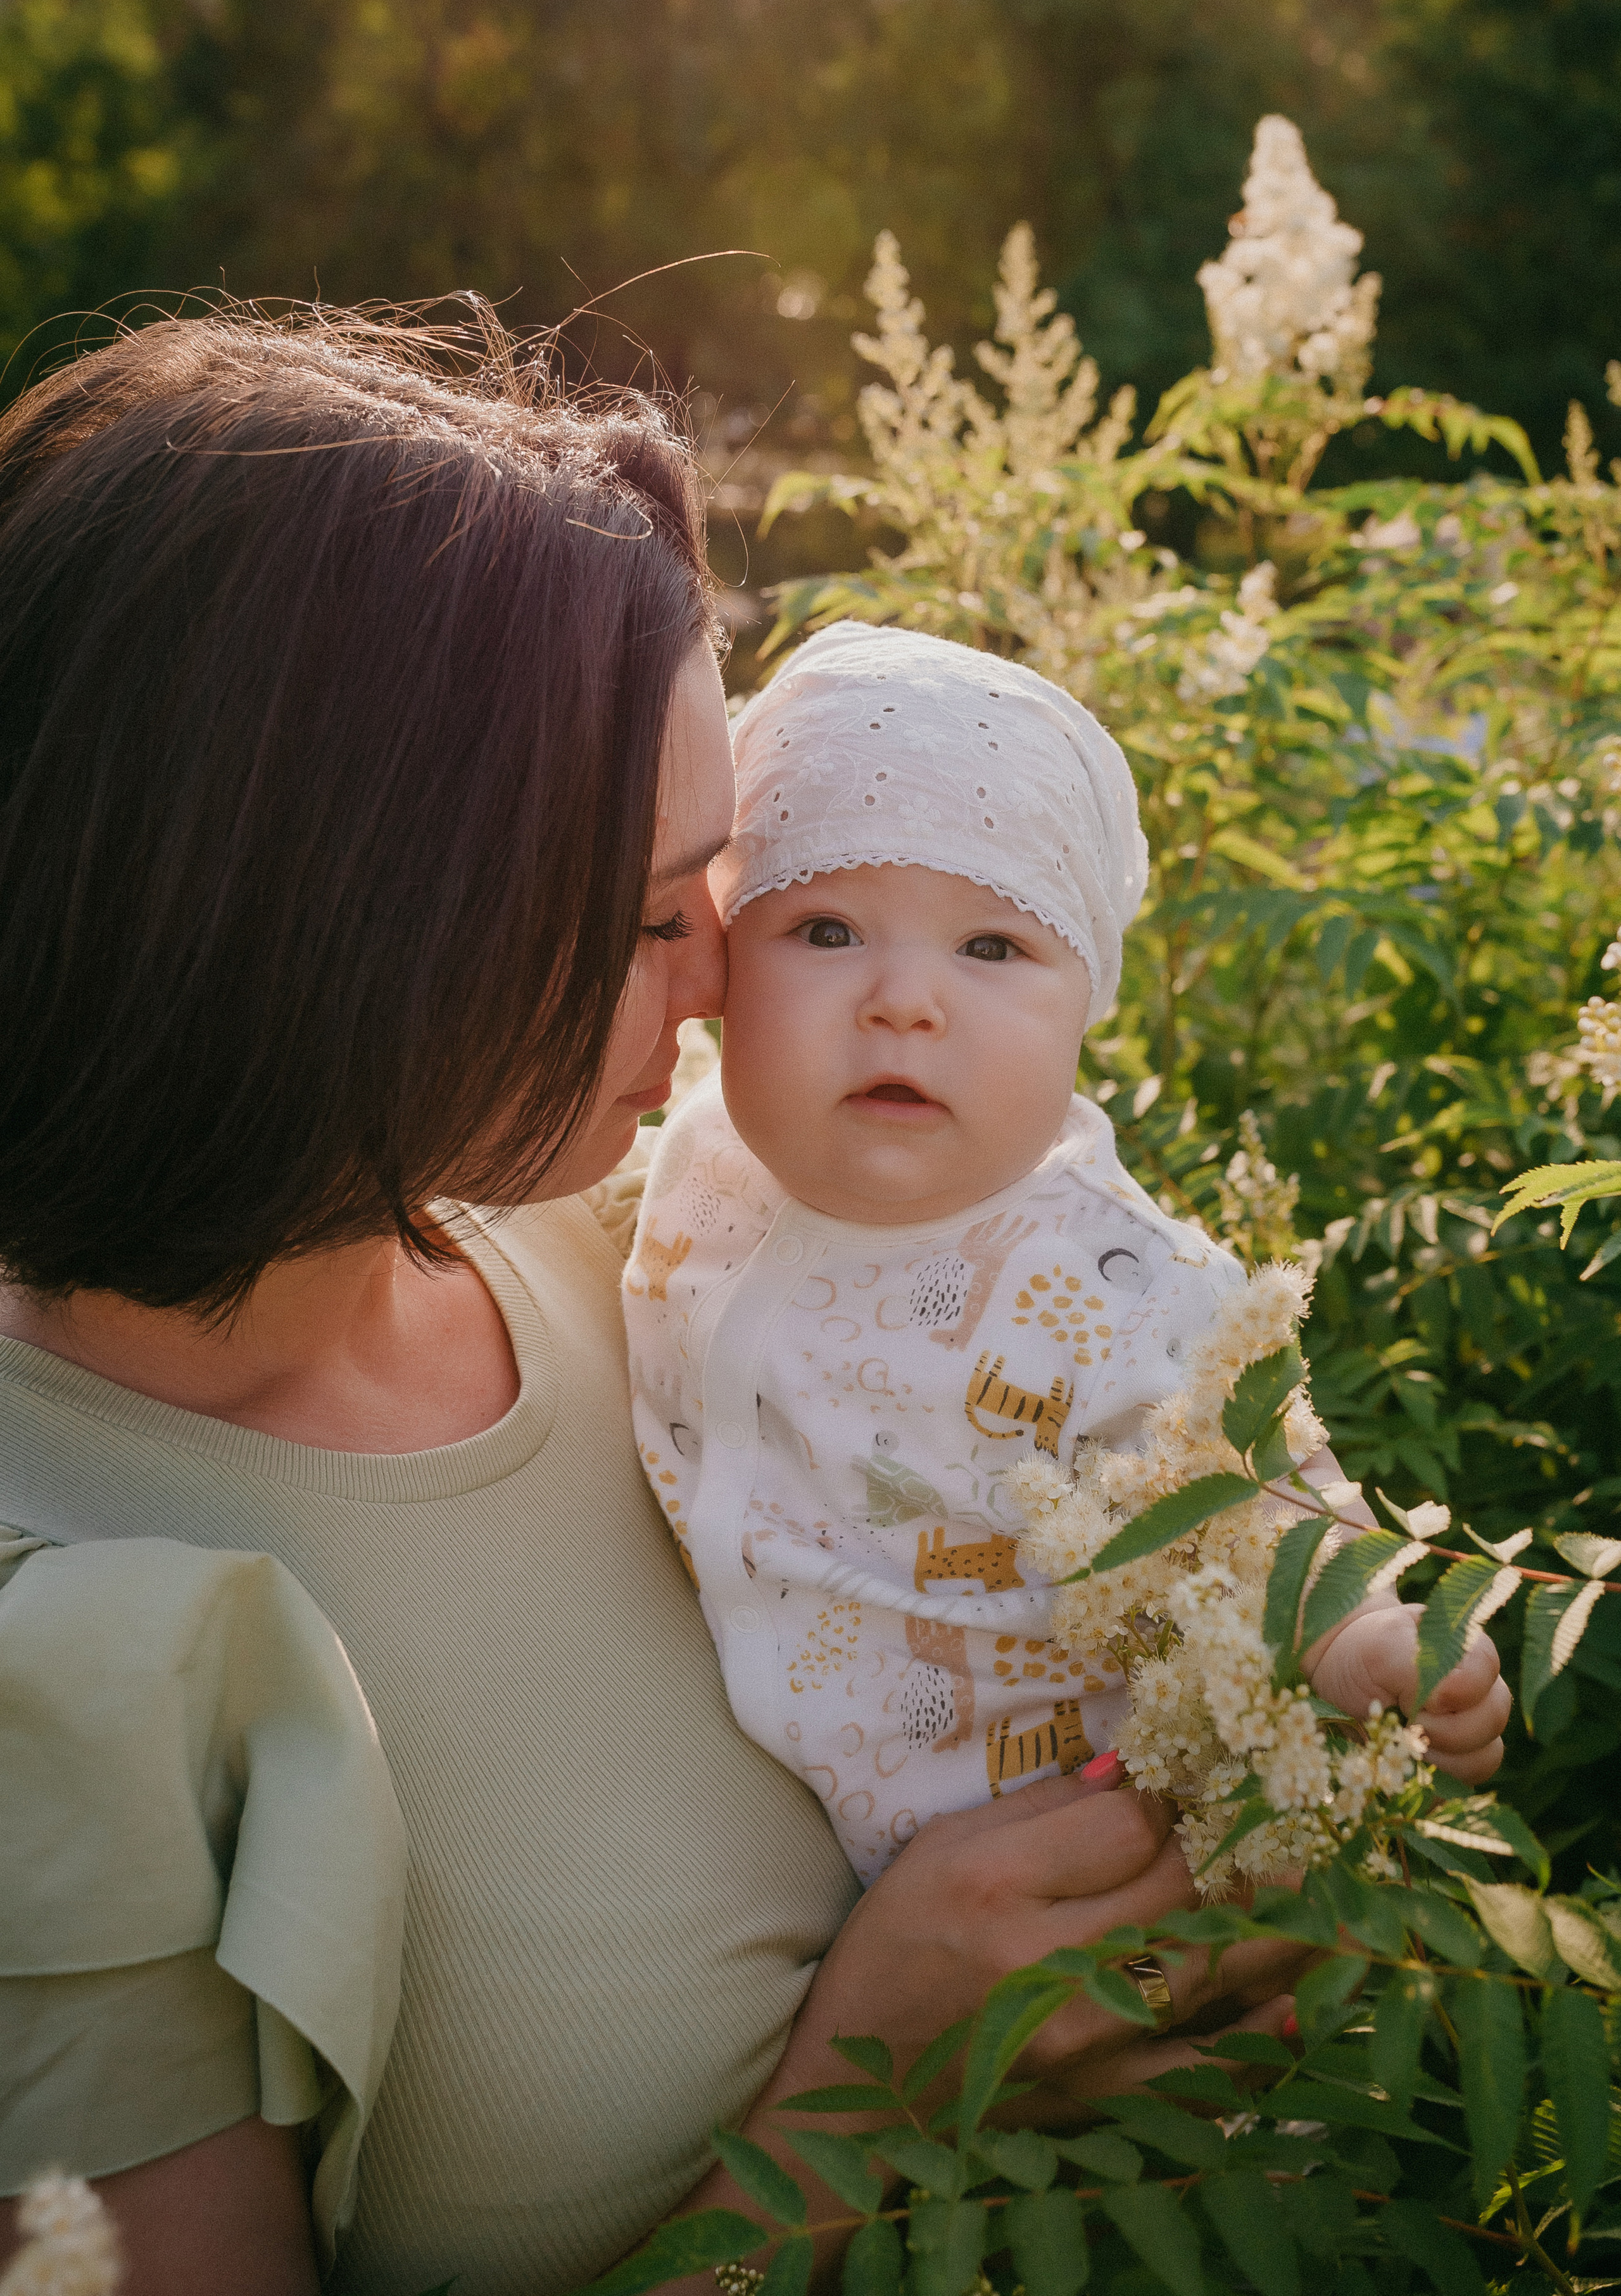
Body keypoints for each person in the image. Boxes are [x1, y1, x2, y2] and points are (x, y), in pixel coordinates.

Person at [0, 315, 1316, 2296]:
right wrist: (877, 2092)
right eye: (641, 917)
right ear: (330, 928)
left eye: (729, 885)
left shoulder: (671, 1239)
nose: (726, 988)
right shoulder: (56, 1631)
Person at [622, 623, 1511, 1882]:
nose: (903, 999)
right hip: (754, 1831)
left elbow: (1257, 1472)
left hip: (1030, 1877)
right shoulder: (693, 1146)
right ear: (718, 964)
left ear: (1084, 1006)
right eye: (824, 929)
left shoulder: (1105, 1281)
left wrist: (1352, 1624)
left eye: (991, 947)